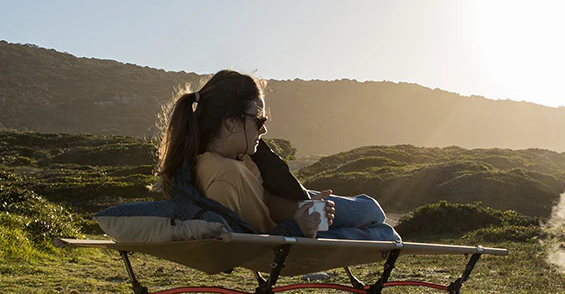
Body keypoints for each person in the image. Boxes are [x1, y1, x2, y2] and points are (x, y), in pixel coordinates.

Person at [156, 70, 400, 241]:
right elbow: (247, 240)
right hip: (292, 238)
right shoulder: (224, 175)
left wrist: (300, 209)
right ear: (231, 122)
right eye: (259, 120)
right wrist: (298, 226)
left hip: (294, 222)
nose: (264, 129)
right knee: (381, 227)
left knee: (371, 210)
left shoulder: (229, 160)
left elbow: (264, 201)